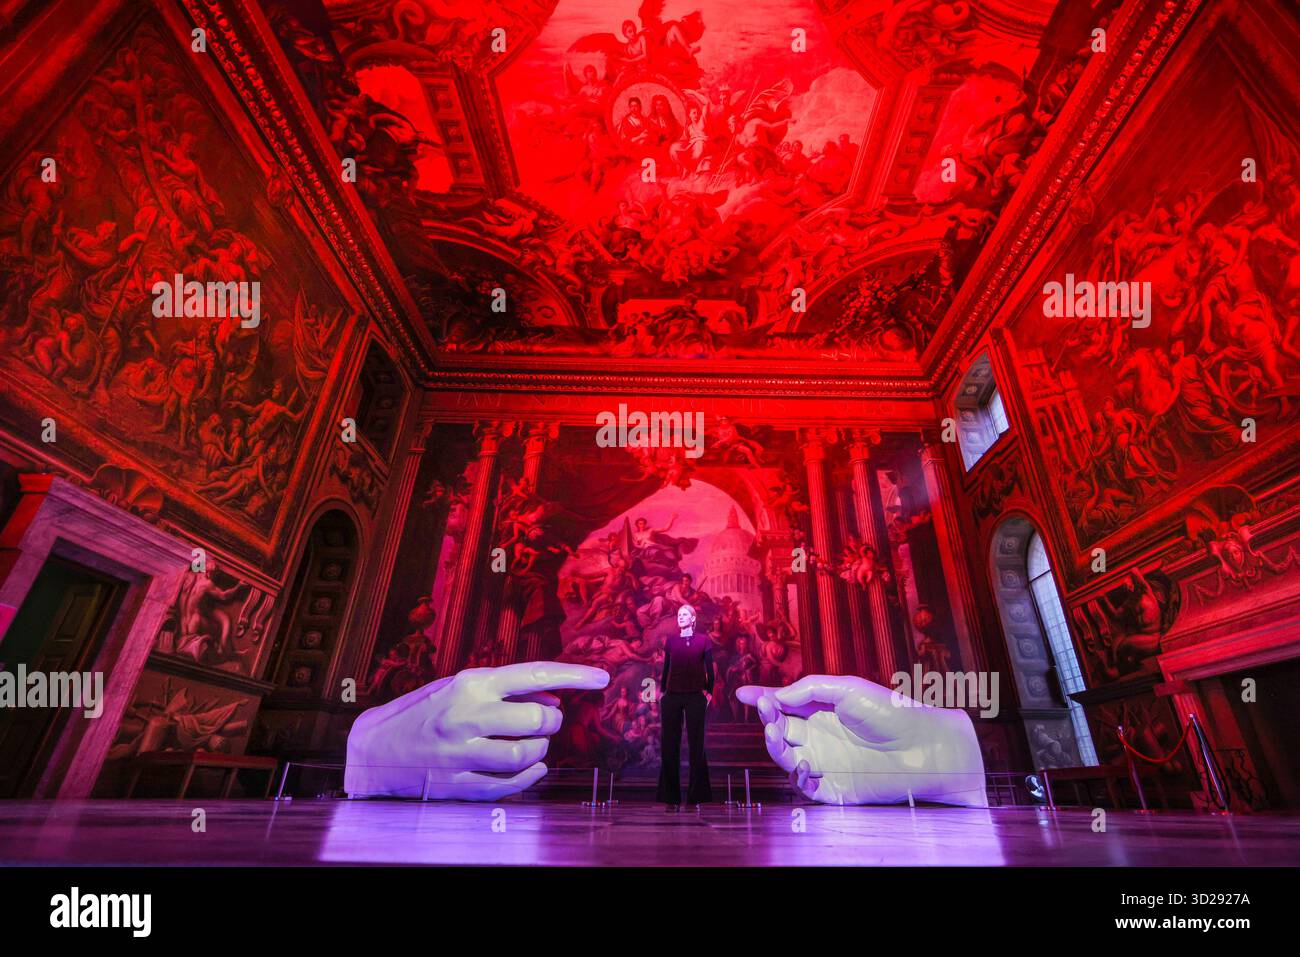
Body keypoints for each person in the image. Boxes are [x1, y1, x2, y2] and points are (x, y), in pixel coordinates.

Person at [656, 603, 714, 808]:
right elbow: (666, 669)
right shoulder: (671, 642)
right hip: (672, 696)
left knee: (697, 745)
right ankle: (670, 798)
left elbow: (710, 669)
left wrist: (709, 692)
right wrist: (663, 693)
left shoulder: (703, 641)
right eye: (679, 614)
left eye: (684, 614)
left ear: (693, 619)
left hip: (695, 696)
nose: (680, 617)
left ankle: (696, 796)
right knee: (669, 746)